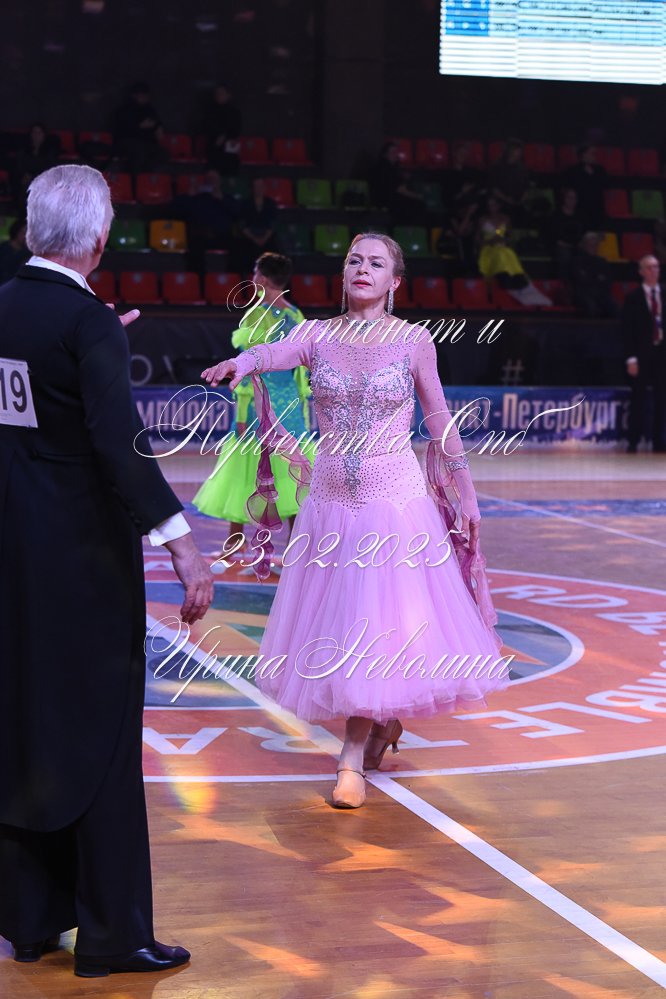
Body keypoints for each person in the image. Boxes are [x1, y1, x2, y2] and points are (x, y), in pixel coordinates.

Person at [201, 233, 511, 809]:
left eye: (376, 262)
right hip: (329, 507)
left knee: (371, 627)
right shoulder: (317, 334)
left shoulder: (414, 341)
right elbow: (273, 354)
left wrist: (466, 494)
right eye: (353, 260)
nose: (362, 268)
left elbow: (439, 418)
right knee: (345, 630)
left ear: (395, 282)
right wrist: (240, 363)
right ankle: (379, 724)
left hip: (392, 506)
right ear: (342, 274)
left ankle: (350, 754)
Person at [0, 164, 214, 975]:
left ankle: (29, 921)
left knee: (25, 723)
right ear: (97, 238)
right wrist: (181, 541)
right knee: (103, 735)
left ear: (31, 230)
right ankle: (114, 935)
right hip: (83, 562)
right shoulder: (87, 323)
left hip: (13, 552)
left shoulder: (8, 306)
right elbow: (121, 447)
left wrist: (95, 343)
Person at [194, 252, 315, 550]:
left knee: (246, 470)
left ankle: (236, 543)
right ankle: (296, 546)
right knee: (291, 473)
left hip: (262, 405)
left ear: (262, 278)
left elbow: (247, 369)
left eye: (254, 272)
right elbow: (302, 372)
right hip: (291, 407)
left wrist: (241, 413)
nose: (252, 277)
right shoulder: (297, 315)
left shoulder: (256, 314)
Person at [621, 255, 666, 453]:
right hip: (641, 355)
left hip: (661, 354)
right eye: (649, 267)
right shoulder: (634, 297)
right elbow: (627, 330)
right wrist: (631, 358)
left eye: (656, 267)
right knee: (638, 397)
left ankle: (659, 440)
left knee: (662, 398)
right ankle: (634, 440)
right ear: (641, 272)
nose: (654, 271)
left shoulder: (664, 294)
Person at [235, 178, 279, 272]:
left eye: (261, 186)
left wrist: (264, 239)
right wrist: (254, 239)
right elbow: (242, 225)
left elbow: (272, 225)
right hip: (249, 238)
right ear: (252, 188)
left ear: (264, 188)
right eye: (256, 186)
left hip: (267, 238)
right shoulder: (244, 204)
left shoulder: (270, 204)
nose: (259, 189)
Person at [203, 84, 242, 176]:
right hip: (214, 147)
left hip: (230, 149)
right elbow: (207, 128)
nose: (219, 96)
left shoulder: (235, 112)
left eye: (222, 93)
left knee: (230, 172)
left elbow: (236, 129)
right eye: (217, 94)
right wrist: (217, 138)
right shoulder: (209, 112)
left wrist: (225, 136)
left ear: (228, 95)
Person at [0, 218, 29, 284]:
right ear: (17, 231)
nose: (26, 237)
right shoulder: (3, 248)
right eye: (24, 233)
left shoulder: (28, 253)